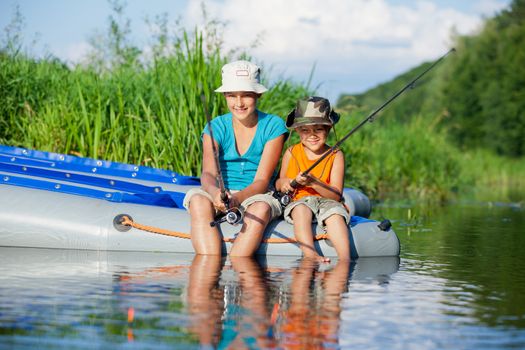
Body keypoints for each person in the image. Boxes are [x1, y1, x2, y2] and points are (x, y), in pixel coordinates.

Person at [183, 60, 287, 256]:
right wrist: (215, 194)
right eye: (232, 95)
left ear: (258, 94)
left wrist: (237, 198)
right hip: (220, 192)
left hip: (256, 194)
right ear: (225, 96)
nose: (239, 103)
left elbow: (263, 181)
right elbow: (207, 174)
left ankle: (238, 262)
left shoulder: (274, 126)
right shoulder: (215, 127)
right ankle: (209, 268)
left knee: (261, 208)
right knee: (198, 201)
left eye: (246, 95)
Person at [276, 96, 351, 262]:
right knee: (301, 211)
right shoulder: (291, 153)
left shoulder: (336, 155)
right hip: (300, 200)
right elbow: (279, 183)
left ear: (329, 129)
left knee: (335, 216)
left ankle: (345, 259)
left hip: (327, 201)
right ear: (297, 131)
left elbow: (336, 195)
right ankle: (310, 255)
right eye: (305, 130)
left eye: (318, 129)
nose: (312, 135)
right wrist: (286, 183)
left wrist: (314, 183)